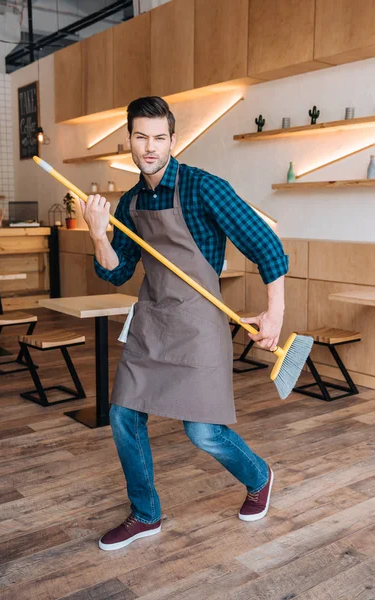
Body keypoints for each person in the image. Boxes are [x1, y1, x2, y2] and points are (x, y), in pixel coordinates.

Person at [79, 96, 289, 552]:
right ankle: (145, 513)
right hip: (151, 319)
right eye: (140, 137)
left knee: (202, 431)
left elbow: (266, 245)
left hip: (199, 323)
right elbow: (117, 271)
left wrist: (275, 313)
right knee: (122, 415)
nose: (149, 147)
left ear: (173, 140)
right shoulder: (130, 201)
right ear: (129, 141)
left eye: (159, 137)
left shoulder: (202, 187)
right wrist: (98, 233)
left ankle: (259, 476)